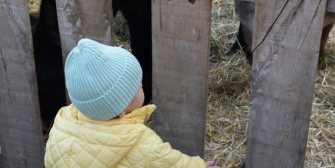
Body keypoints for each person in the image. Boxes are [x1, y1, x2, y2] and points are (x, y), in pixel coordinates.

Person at [44, 38, 219, 168]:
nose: (141, 84)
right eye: (136, 85)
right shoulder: (138, 141)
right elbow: (170, 163)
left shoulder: (62, 124)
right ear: (120, 109)